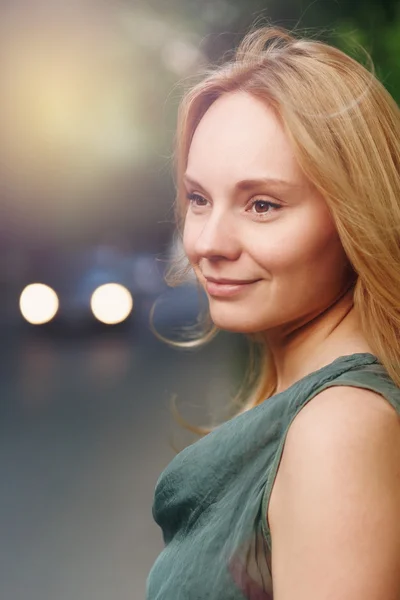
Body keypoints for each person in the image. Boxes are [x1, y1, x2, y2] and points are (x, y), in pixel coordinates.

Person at [146, 26, 400, 600]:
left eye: (262, 204)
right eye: (199, 199)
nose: (208, 242)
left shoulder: (340, 428)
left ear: (353, 215)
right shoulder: (310, 403)